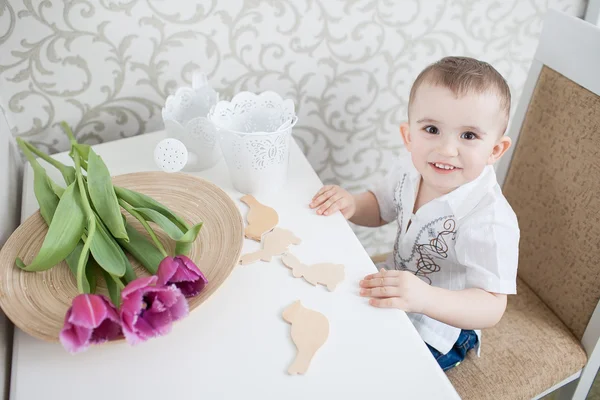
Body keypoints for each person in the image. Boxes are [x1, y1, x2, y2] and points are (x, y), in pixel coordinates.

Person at [309, 56, 520, 371]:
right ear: (409, 136)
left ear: (494, 150)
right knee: (324, 328)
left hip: (442, 326)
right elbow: (380, 207)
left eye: (469, 136)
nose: (447, 149)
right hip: (394, 286)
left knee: (374, 370)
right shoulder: (409, 167)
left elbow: (491, 306)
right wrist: (352, 204)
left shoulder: (489, 220)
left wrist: (424, 298)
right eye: (432, 129)